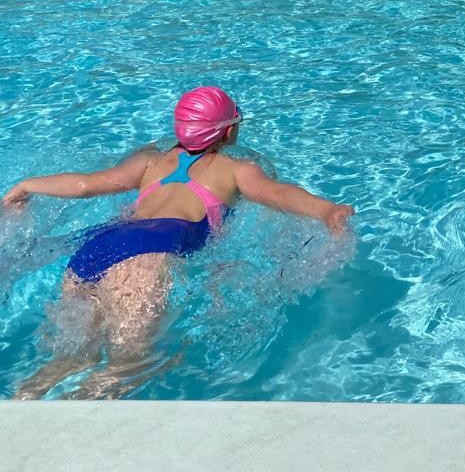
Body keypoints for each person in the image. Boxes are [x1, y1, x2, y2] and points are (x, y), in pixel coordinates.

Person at [2, 86, 354, 398]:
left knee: (74, 356)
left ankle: (24, 400)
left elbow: (85, 184)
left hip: (95, 250)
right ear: (229, 131)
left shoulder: (149, 160)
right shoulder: (236, 169)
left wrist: (27, 186)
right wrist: (326, 211)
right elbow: (276, 193)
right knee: (126, 369)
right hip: (145, 256)